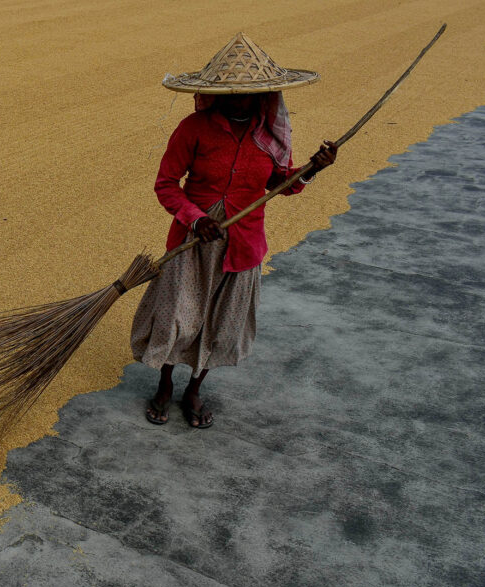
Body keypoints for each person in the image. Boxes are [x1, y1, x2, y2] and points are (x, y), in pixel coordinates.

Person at [131, 33, 337, 428]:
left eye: (247, 93)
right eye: (231, 92)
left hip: (242, 246)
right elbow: (165, 184)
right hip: (194, 242)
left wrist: (314, 168)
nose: (237, 99)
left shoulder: (269, 137)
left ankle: (194, 390)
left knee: (221, 324)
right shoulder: (193, 128)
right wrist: (196, 218)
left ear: (264, 96)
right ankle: (164, 385)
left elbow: (284, 183)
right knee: (177, 318)